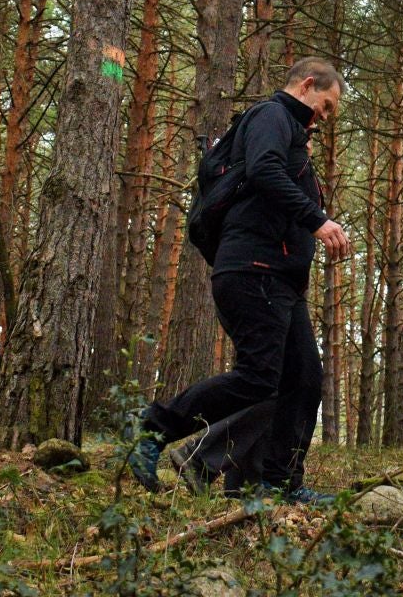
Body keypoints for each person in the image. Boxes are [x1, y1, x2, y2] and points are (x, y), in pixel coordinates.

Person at [127, 58, 351, 503]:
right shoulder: (272, 116)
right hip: (254, 270)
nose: (324, 119)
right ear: (306, 86)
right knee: (259, 377)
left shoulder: (293, 134)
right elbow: (264, 170)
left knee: (304, 377)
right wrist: (317, 221)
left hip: (281, 279)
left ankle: (280, 481)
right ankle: (152, 428)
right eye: (325, 107)